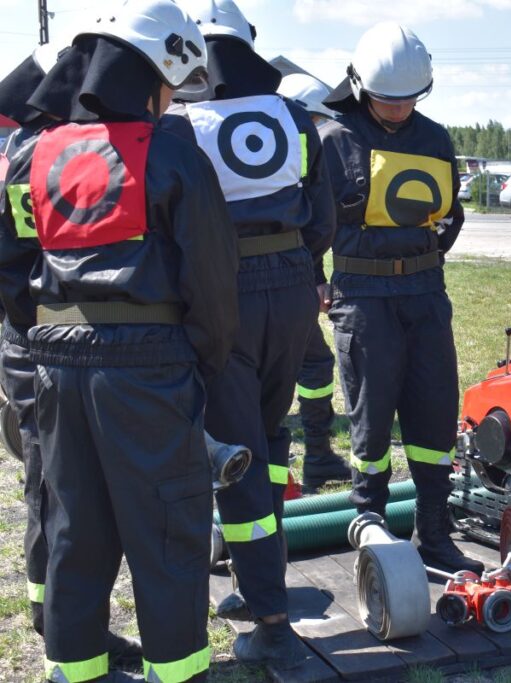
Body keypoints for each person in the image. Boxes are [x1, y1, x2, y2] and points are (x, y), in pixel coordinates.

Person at [0, 1, 240, 680]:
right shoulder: (170, 152)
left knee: (75, 530)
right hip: (150, 367)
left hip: (54, 362)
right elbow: (213, 277)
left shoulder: (30, 152)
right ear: (154, 72)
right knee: (167, 534)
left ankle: (74, 670)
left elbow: (10, 266)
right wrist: (201, 357)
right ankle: (178, 670)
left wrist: (45, 333)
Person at [167, 0, 335, 663]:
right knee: (266, 435)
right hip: (293, 287)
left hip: (223, 291)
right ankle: (254, 580)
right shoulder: (295, 118)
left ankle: (270, 617)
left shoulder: (182, 128)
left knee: (234, 453)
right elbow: (323, 219)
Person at [0, 42, 146, 671]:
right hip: (42, 339)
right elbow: (19, 259)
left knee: (61, 489)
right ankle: (53, 616)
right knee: (56, 487)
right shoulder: (36, 156)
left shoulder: (40, 151)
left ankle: (59, 618)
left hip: (48, 337)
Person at [319, 21, 482, 575]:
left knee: (435, 410)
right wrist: (317, 280)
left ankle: (434, 532)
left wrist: (429, 251)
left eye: (409, 98)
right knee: (371, 416)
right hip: (362, 295)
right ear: (361, 86)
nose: (398, 109)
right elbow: (309, 220)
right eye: (388, 100)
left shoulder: (435, 138)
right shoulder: (333, 136)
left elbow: (451, 213)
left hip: (425, 291)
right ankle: (371, 523)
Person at [277, 71, 351, 493]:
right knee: (296, 366)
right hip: (275, 280)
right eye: (321, 124)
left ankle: (319, 456)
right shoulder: (292, 156)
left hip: (287, 276)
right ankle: (313, 457)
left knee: (314, 363)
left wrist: (316, 277)